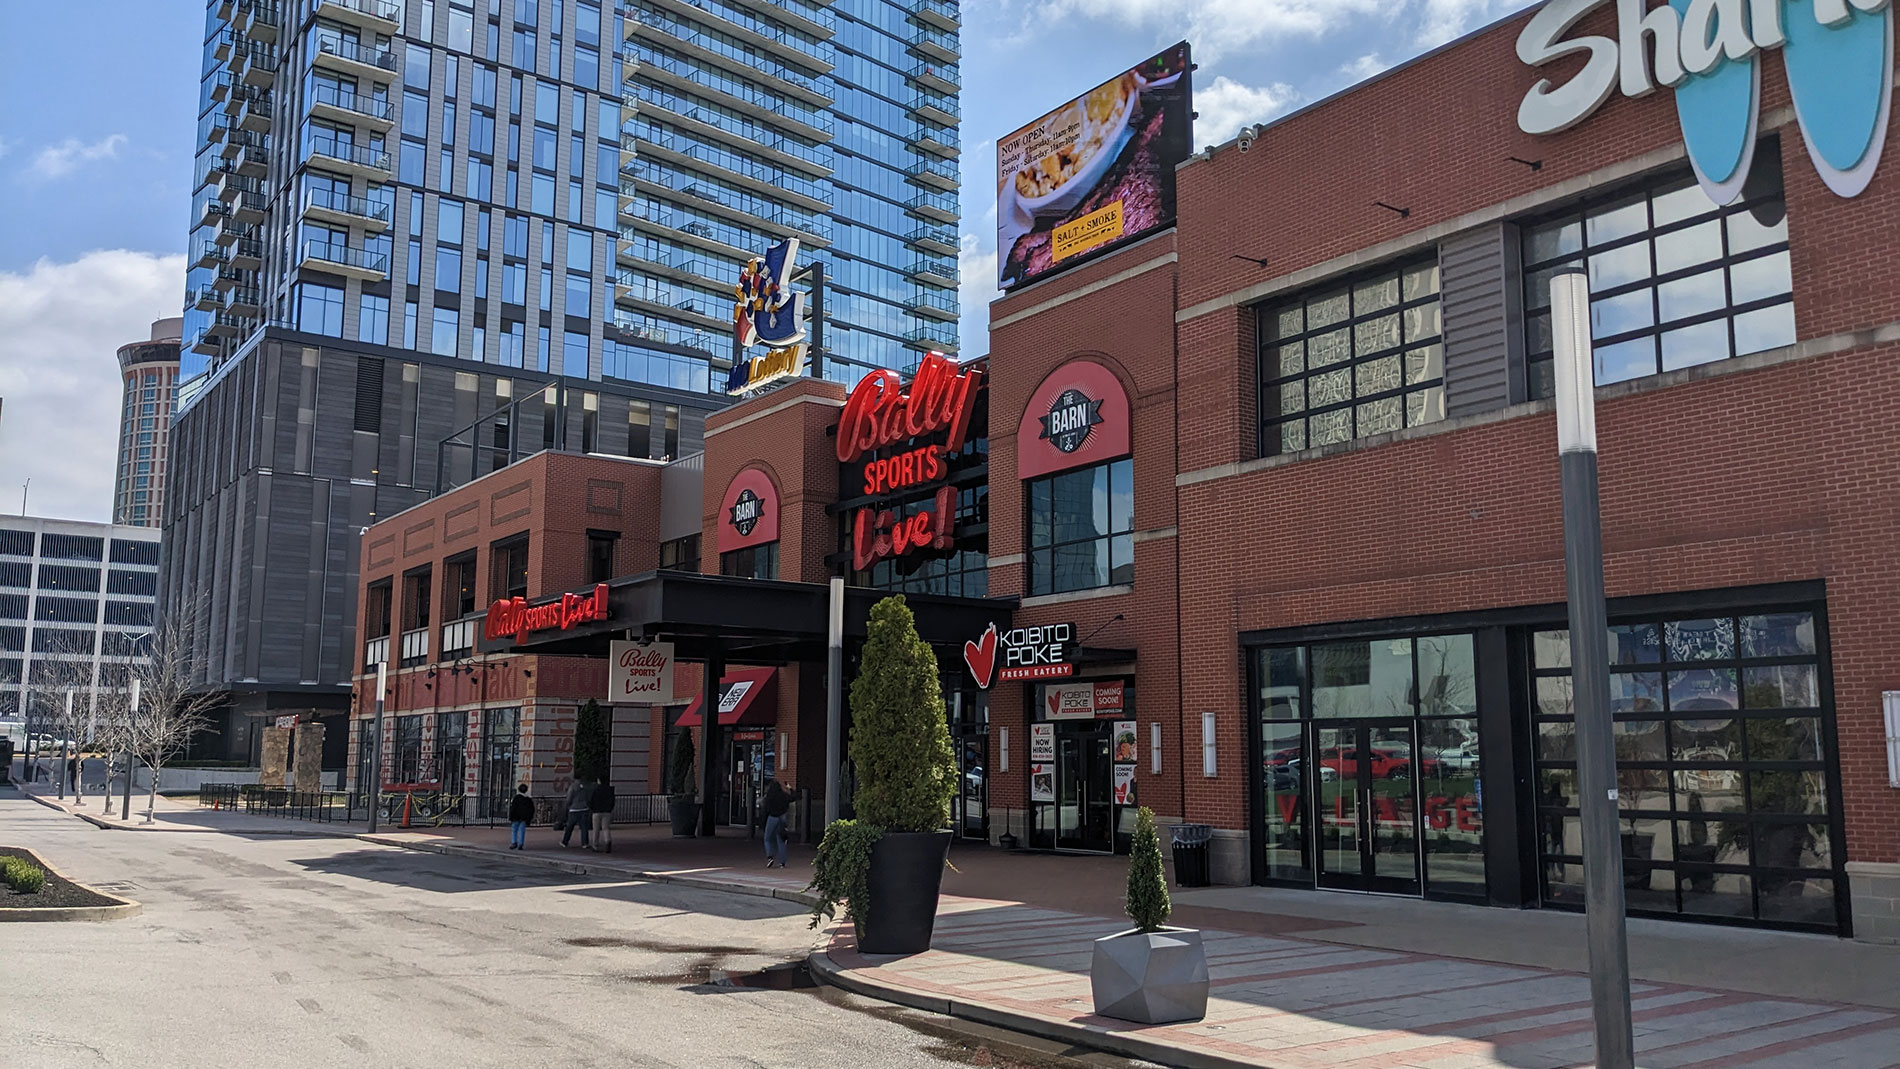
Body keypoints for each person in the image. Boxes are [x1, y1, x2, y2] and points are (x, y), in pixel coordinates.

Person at [762, 779, 791, 868]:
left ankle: (770, 856)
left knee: (767, 838)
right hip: (782, 817)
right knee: (781, 840)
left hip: (772, 817)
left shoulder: (769, 797)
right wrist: (789, 788)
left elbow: (765, 809)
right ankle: (782, 862)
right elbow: (793, 797)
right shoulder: (784, 795)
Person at [561, 777, 592, 848]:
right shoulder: (585, 787)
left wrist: (568, 805)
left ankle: (565, 842)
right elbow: (588, 797)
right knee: (584, 827)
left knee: (569, 827)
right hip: (584, 808)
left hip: (574, 809)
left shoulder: (573, 787)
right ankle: (584, 843)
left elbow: (569, 798)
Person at [588, 778, 616, 853]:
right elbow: (612, 801)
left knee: (596, 829)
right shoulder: (609, 790)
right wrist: (609, 809)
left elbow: (591, 800)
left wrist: (592, 808)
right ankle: (607, 841)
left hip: (596, 811)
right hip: (607, 812)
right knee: (606, 828)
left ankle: (595, 845)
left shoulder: (596, 790)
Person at [507, 784, 534, 850]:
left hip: (516, 817)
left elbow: (513, 808)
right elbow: (531, 809)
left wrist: (511, 816)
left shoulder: (516, 798)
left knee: (514, 830)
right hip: (524, 818)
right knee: (522, 830)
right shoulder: (528, 800)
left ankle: (514, 842)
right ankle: (521, 844)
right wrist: (529, 818)